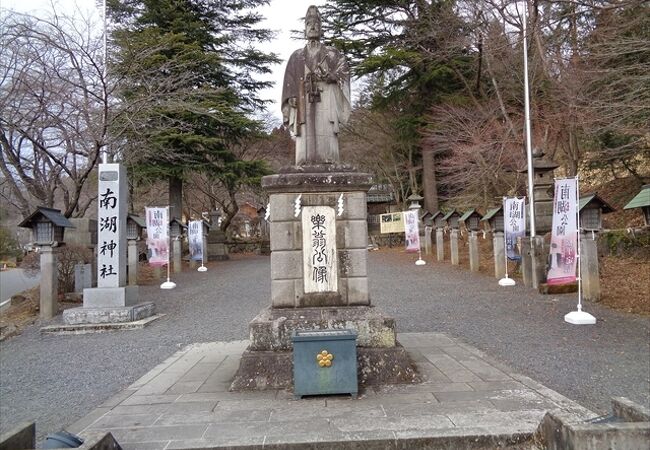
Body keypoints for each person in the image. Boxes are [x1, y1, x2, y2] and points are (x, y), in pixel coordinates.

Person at [281, 5, 351, 166]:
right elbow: (289, 80)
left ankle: (330, 161)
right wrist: (290, 97)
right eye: (308, 24)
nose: (312, 27)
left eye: (316, 24)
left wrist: (332, 77)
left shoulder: (332, 54)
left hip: (327, 99)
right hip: (303, 101)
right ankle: (304, 162)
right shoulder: (296, 56)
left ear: (321, 28)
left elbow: (344, 72)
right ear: (304, 29)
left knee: (327, 130)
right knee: (304, 139)